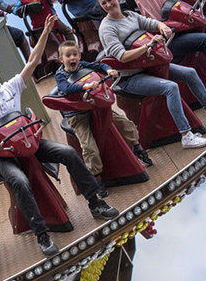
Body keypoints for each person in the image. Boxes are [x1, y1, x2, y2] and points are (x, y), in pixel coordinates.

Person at [0, 17, 120, 257]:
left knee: (68, 153)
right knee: (21, 182)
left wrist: (45, 32)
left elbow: (34, 60)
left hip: (29, 142)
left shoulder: (12, 86)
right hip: (3, 155)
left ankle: (95, 203)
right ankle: (42, 235)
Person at [96, 0, 206, 148]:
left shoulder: (129, 15)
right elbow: (122, 56)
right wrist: (148, 46)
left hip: (148, 66)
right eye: (103, 3)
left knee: (190, 73)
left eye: (110, 0)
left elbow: (150, 22)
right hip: (130, 77)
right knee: (171, 87)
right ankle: (186, 135)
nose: (108, 5)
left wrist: (162, 26)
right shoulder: (107, 28)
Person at [51, 41, 151, 180]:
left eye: (75, 54)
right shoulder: (60, 75)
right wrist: (85, 87)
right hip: (78, 115)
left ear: (79, 56)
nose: (72, 58)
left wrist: (108, 69)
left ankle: (138, 148)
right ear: (61, 59)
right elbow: (65, 88)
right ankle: (97, 177)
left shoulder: (82, 65)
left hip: (96, 106)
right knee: (89, 146)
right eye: (68, 56)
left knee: (125, 124)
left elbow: (99, 65)